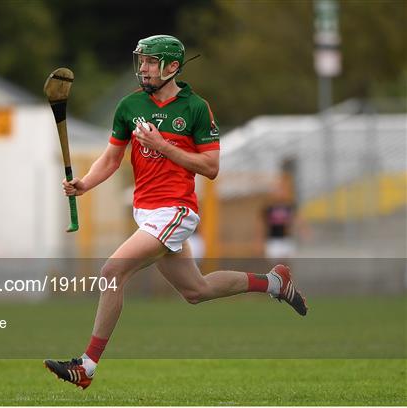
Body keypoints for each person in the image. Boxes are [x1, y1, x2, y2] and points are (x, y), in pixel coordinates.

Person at [44, 35, 307, 389]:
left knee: (111, 271)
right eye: (141, 61)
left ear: (172, 67)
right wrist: (86, 183)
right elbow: (111, 158)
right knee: (195, 290)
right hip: (146, 212)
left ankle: (86, 366)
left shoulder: (196, 108)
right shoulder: (129, 106)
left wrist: (162, 145)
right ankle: (275, 283)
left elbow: (211, 167)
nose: (144, 68)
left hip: (176, 211)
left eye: (151, 62)